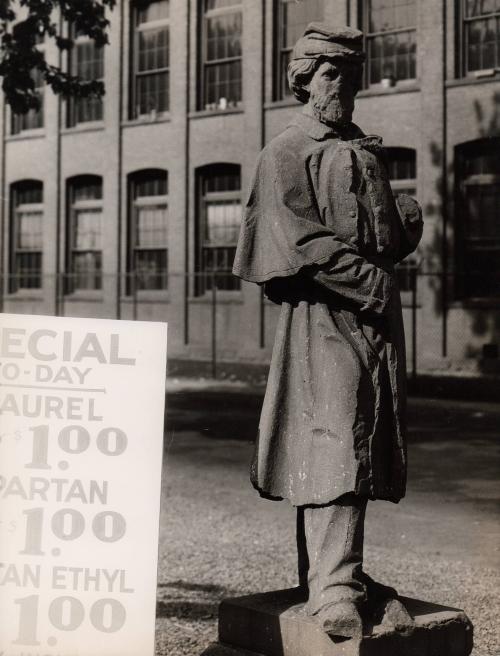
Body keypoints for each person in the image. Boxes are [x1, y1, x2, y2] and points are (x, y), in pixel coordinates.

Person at [232, 23, 423, 639]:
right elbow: (299, 240)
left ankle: (334, 575)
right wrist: (369, 279)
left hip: (370, 322)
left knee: (358, 440)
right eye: (329, 72)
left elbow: (383, 233)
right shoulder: (287, 150)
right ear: (304, 80)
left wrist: (404, 226)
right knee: (332, 438)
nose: (342, 84)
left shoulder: (364, 149)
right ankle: (334, 587)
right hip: (321, 320)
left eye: (350, 72)